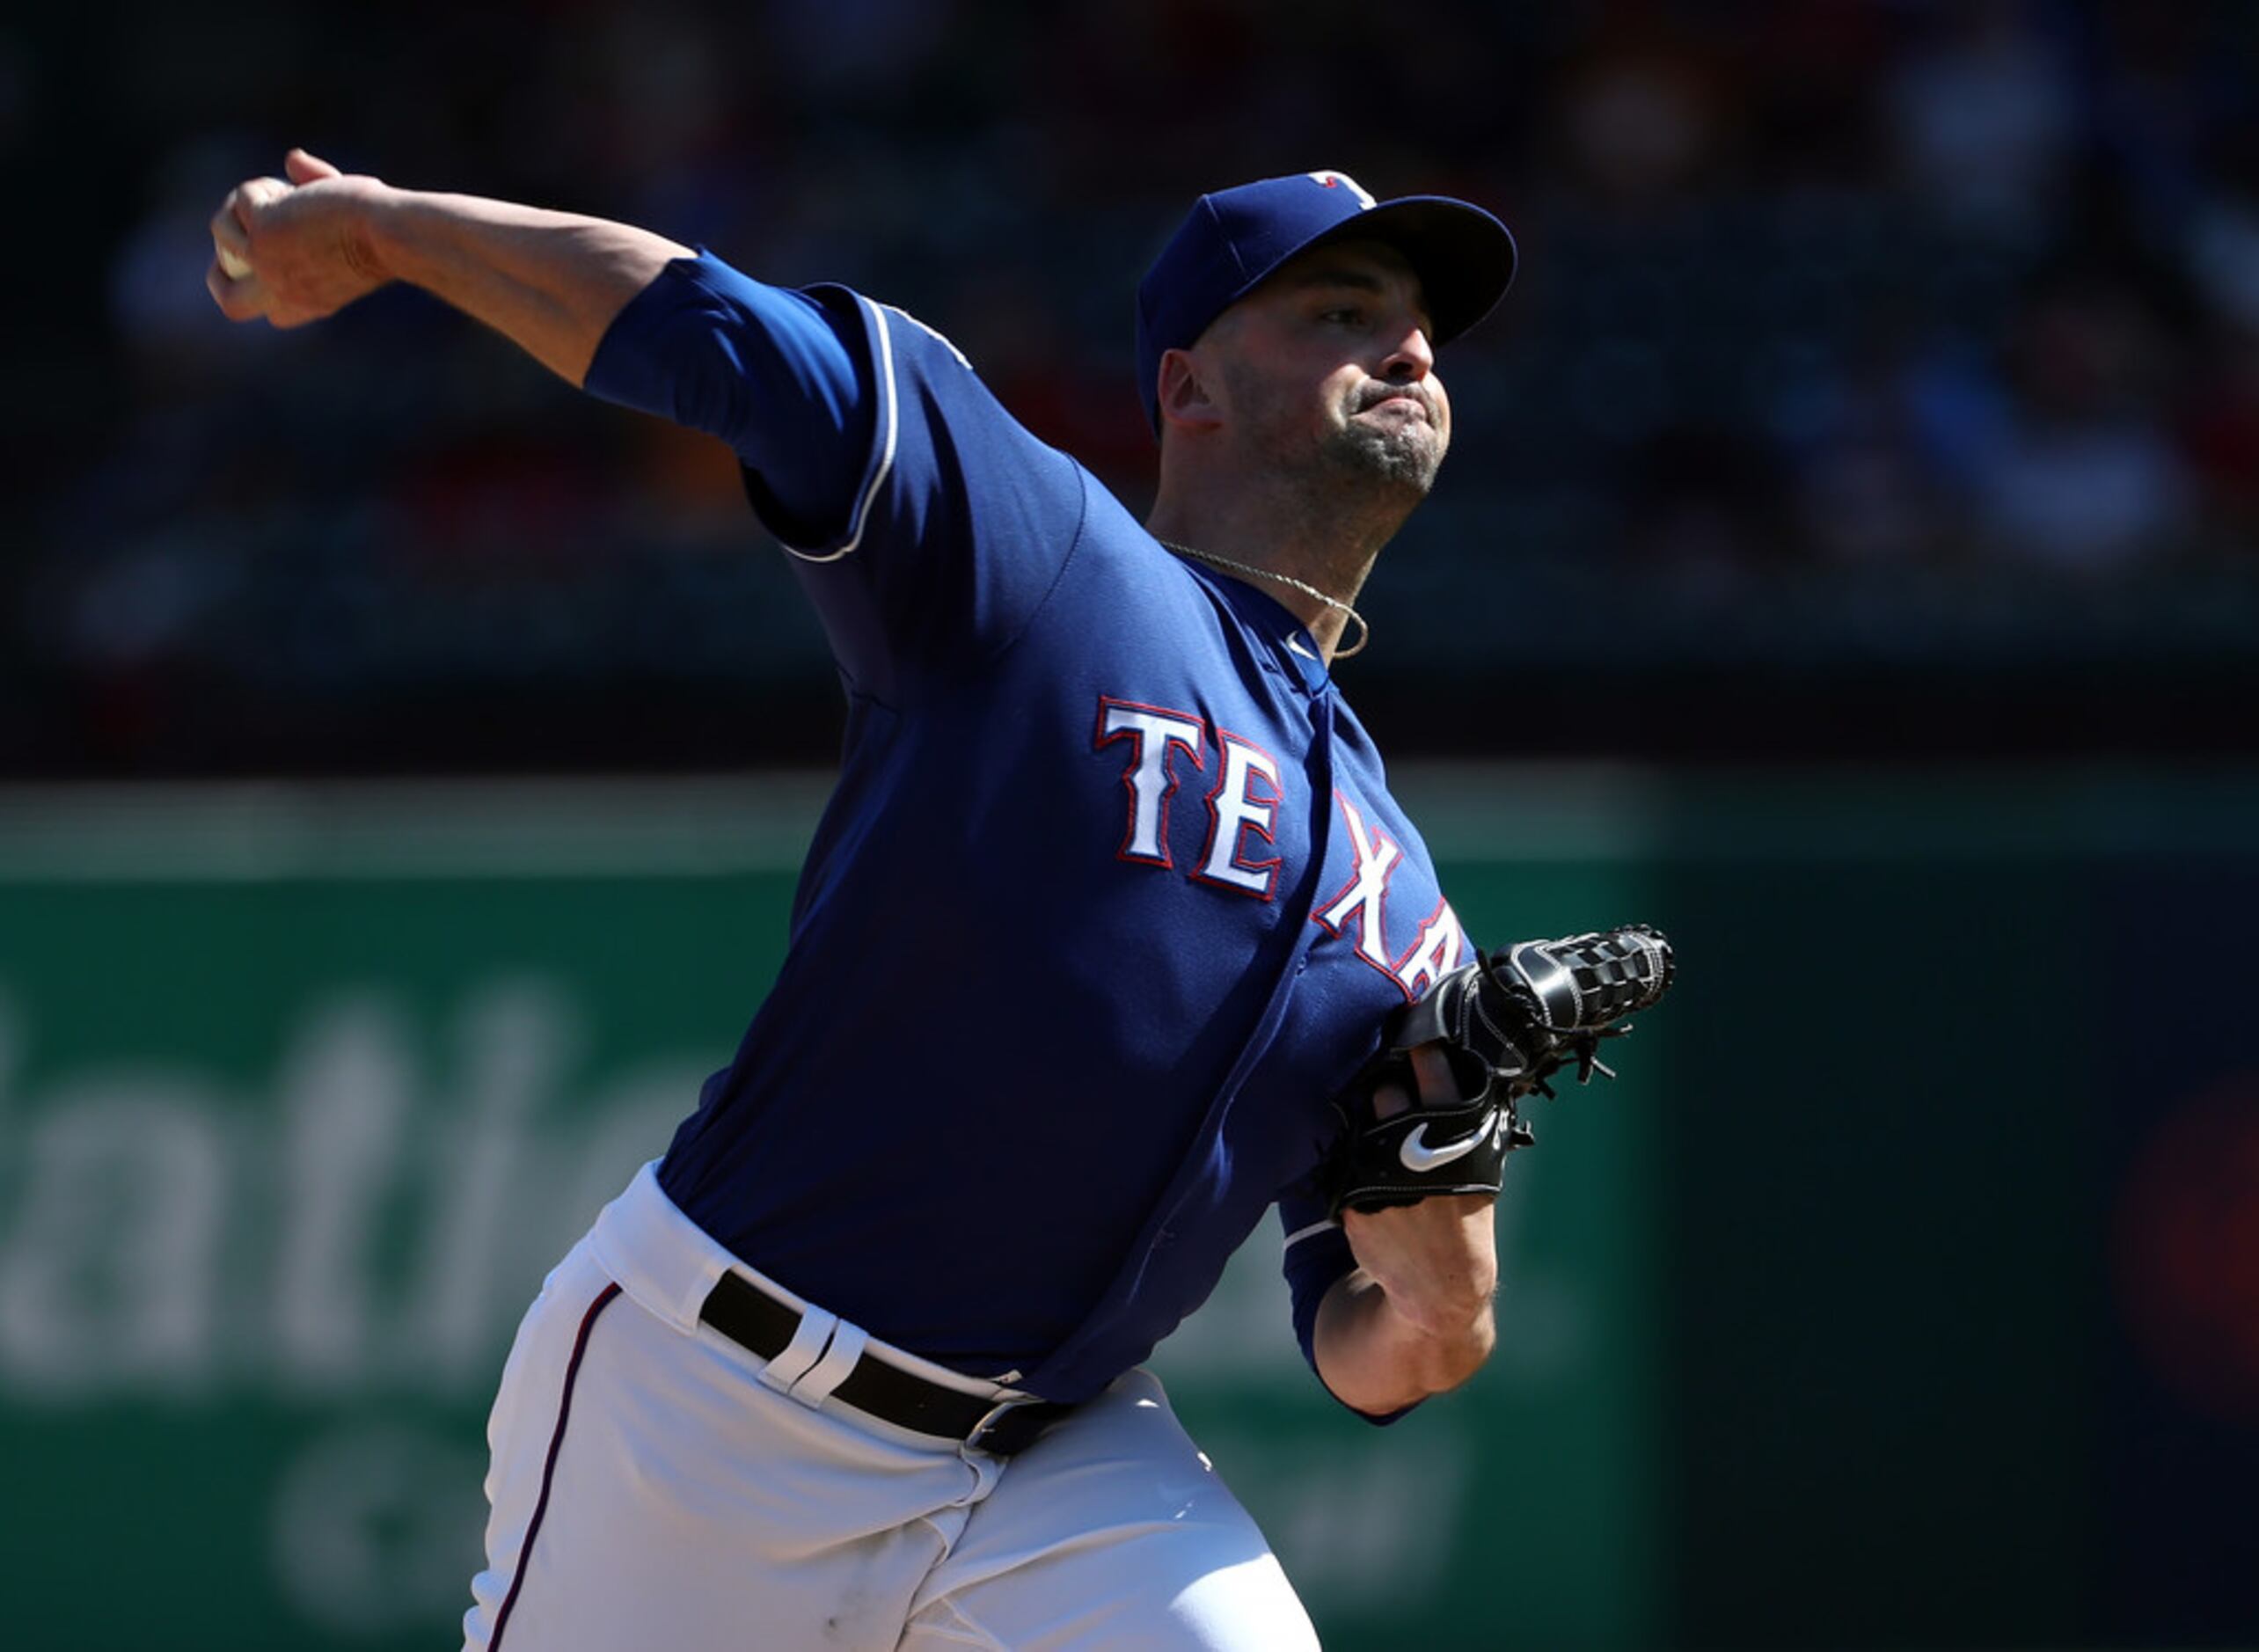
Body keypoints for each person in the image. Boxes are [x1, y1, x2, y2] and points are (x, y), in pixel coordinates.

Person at [208, 151, 1521, 1651]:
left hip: (1062, 1457)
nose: (1407, 345)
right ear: (1191, 387)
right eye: (1343, 309)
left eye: (1420, 325)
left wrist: (1443, 1270)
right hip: (720, 1408)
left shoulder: (1398, 883)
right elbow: (704, 323)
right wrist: (389, 229)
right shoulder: (1046, 558)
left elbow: (1370, 1353)